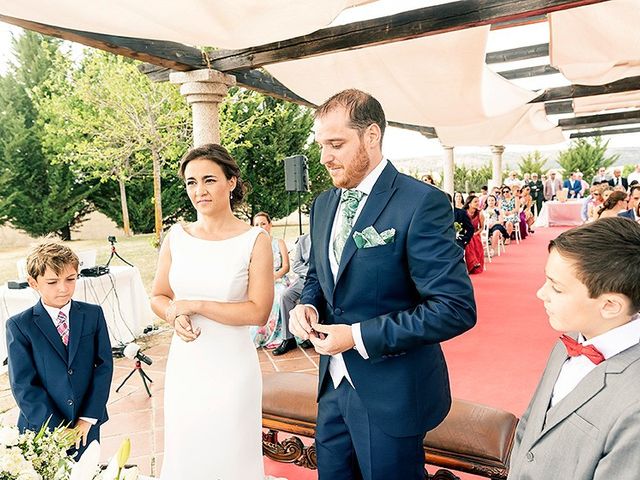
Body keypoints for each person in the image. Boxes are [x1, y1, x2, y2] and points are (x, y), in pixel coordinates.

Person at [288, 89, 476, 480]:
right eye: (321, 145)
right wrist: (305, 305)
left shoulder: (420, 202)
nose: (324, 158)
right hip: (331, 387)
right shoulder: (324, 204)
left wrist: (356, 336)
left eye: (336, 144)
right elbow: (320, 278)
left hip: (394, 394)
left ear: (371, 136)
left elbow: (454, 308)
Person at [152, 144, 274, 479]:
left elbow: (258, 312)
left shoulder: (254, 240)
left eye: (208, 180)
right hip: (187, 366)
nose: (199, 191)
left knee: (231, 455)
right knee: (187, 452)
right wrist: (174, 315)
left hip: (232, 367)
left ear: (231, 181)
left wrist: (196, 304)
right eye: (191, 182)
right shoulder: (177, 236)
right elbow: (159, 296)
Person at [507, 218, 640, 480]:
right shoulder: (571, 339)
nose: (541, 293)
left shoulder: (634, 403)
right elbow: (530, 424)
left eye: (556, 288)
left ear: (610, 305)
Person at [6, 241, 113, 458]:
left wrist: (88, 418)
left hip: (85, 424)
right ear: (33, 283)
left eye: (70, 279)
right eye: (52, 282)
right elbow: (23, 384)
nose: (63, 288)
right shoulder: (19, 325)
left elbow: (104, 367)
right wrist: (55, 427)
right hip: (41, 427)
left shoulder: (93, 315)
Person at [250, 211, 290, 348]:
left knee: (277, 297)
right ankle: (259, 335)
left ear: (270, 224)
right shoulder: (252, 246)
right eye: (257, 224)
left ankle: (279, 335)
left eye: (263, 223)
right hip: (260, 282)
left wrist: (273, 278)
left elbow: (286, 266)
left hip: (278, 280)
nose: (260, 227)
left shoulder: (279, 242)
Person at [272, 233, 314, 356]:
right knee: (286, 296)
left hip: (323, 280)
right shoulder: (303, 240)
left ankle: (312, 336)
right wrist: (311, 272)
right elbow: (296, 265)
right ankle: (288, 339)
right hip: (304, 279)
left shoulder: (326, 235)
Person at [463, 195, 484, 274]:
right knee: (469, 239)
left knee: (472, 238)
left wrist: (475, 233)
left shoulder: (480, 214)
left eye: (478, 201)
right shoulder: (463, 213)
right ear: (469, 203)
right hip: (465, 233)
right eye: (475, 202)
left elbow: (481, 228)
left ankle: (474, 263)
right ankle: (473, 262)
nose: (477, 203)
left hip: (475, 233)